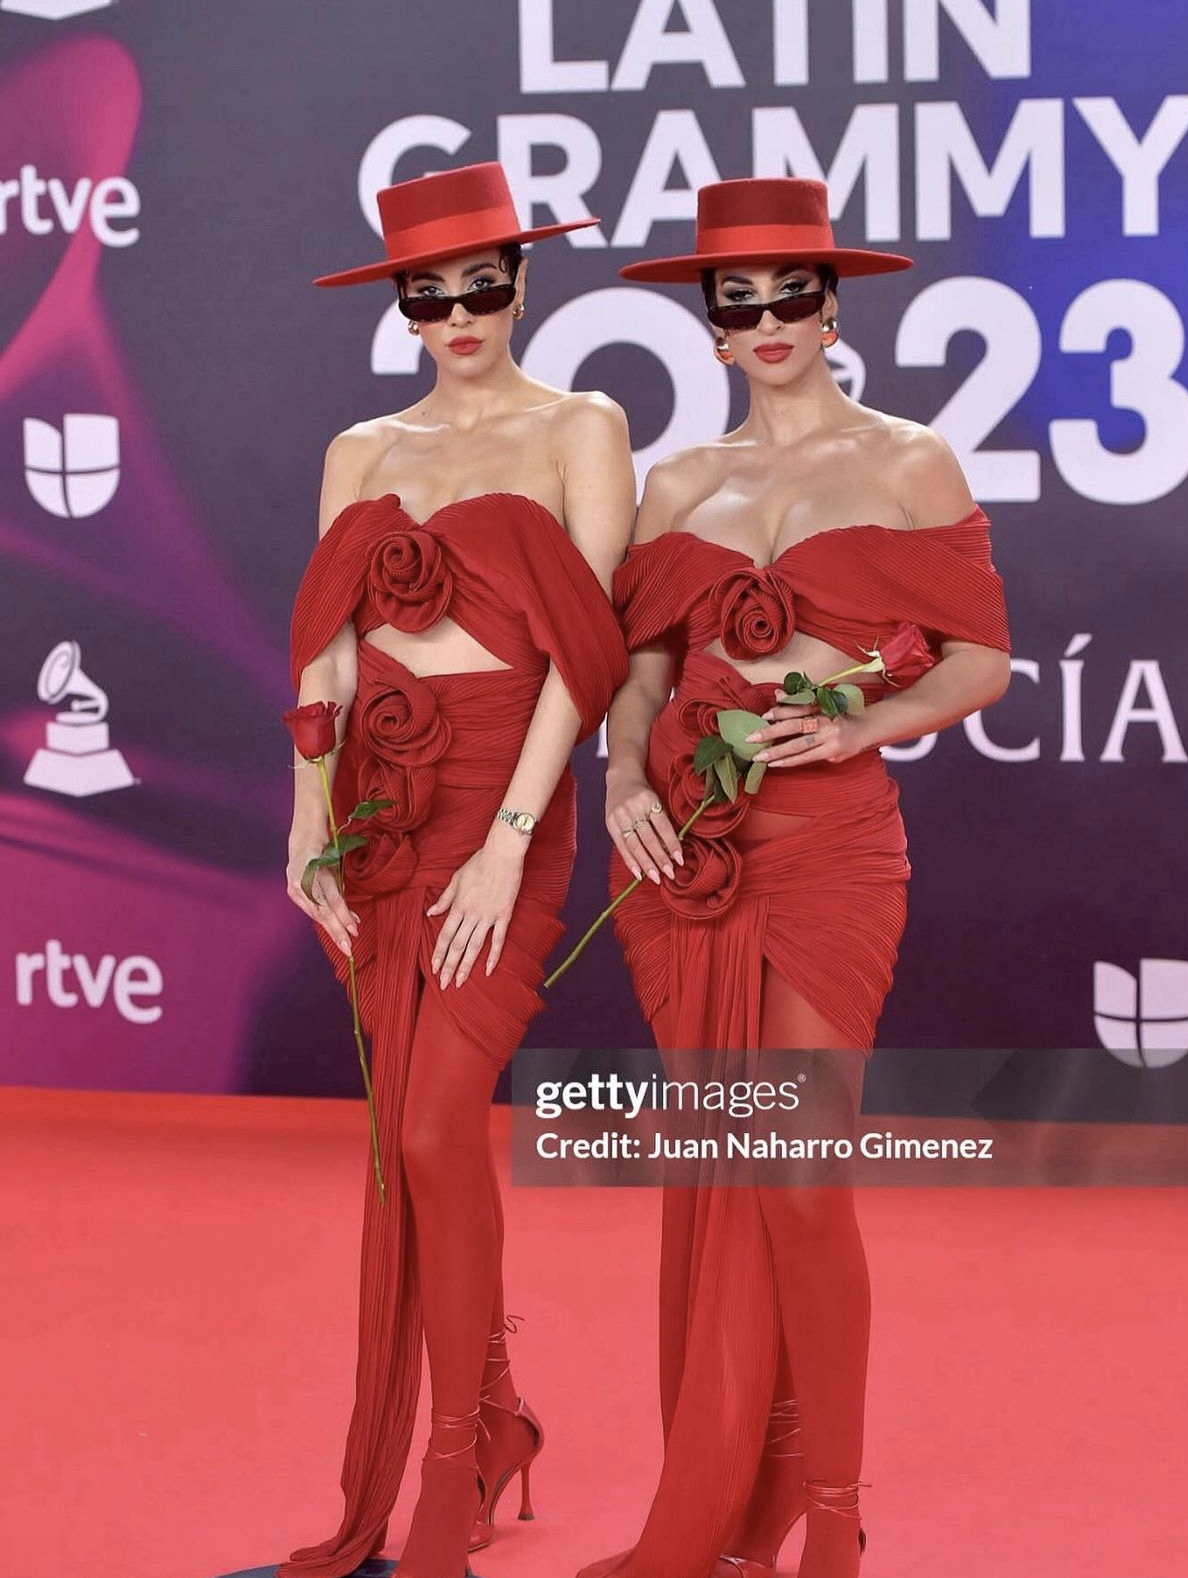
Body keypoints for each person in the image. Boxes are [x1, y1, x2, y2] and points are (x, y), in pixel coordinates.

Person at [589, 178, 1011, 1578]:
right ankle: (726, 1506)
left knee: (802, 1174)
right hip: (686, 863)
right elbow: (639, 676)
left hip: (832, 850)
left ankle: (832, 1514)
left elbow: (978, 660)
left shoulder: (911, 462)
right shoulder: (681, 485)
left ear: (834, 305)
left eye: (791, 296)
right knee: (729, 1172)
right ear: (709, 327)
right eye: (737, 302)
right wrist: (625, 779)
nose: (767, 322)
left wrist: (855, 722)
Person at [278, 162, 632, 1578]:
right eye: (431, 293)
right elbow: (330, 650)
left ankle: (450, 1464)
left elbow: (588, 653)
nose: (460, 311)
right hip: (375, 814)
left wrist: (506, 837)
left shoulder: (581, 426)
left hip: (505, 803)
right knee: (402, 1141)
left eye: (483, 281)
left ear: (521, 280)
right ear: (402, 305)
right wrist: (309, 813)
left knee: (433, 1129)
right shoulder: (362, 446)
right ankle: (495, 1422)